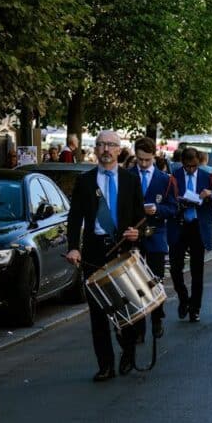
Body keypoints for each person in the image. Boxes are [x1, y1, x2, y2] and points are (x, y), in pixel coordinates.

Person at [64, 130, 145, 382]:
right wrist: (73, 247)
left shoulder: (131, 180)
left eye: (111, 145)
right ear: (96, 149)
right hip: (94, 251)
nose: (106, 149)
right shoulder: (85, 181)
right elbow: (74, 218)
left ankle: (128, 349)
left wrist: (137, 234)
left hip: (122, 250)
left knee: (126, 307)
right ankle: (105, 365)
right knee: (98, 312)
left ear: (119, 150)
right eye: (101, 144)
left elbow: (141, 217)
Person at [167, 147, 212, 323]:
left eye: (194, 166)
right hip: (179, 225)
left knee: (197, 270)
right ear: (182, 163)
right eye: (187, 166)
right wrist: (178, 202)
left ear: (198, 162)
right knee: (175, 268)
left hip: (198, 226)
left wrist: (211, 193)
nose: (190, 170)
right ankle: (183, 298)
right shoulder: (174, 177)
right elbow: (167, 199)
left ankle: (195, 308)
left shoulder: (207, 177)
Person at [130, 137, 177, 341]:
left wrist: (157, 209)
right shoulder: (127, 176)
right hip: (133, 234)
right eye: (140, 159)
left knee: (155, 279)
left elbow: (173, 208)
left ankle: (157, 317)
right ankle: (139, 327)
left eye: (147, 160)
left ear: (154, 157)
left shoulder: (165, 179)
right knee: (136, 283)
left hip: (156, 233)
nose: (143, 164)